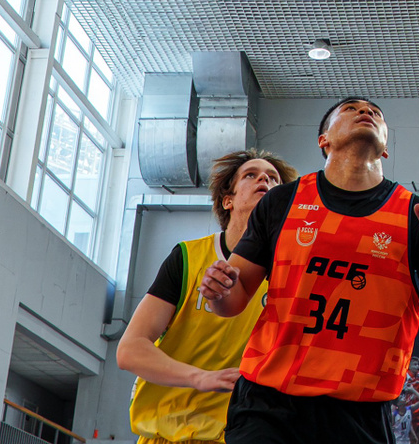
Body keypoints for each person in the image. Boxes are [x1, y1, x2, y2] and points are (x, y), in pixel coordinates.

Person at [201, 96, 419, 444]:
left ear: (385, 149)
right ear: (324, 140)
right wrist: (218, 292)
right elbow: (234, 299)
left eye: (375, 113)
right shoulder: (283, 200)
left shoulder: (414, 213)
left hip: (361, 411)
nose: (365, 112)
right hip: (270, 401)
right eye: (351, 109)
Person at [120, 149, 299, 444]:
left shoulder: (293, 272)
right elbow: (129, 350)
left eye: (273, 179)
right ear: (228, 200)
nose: (264, 180)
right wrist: (200, 377)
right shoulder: (189, 257)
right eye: (251, 175)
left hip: (241, 434)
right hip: (169, 432)